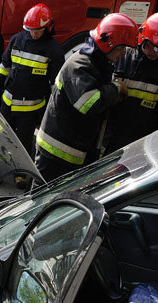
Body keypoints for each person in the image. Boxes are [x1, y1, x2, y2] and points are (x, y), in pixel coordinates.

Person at [35, 13, 137, 182]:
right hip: (55, 153)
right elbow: (88, 104)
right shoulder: (79, 64)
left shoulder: (99, 63)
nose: (124, 53)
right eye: (121, 48)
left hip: (73, 151)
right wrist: (115, 88)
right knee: (41, 203)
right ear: (108, 43)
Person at [0, 4, 63, 159]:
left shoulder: (53, 51)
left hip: (30, 110)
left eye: (37, 30)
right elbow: (5, 66)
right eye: (31, 30)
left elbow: (55, 84)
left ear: (47, 27)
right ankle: (0, 163)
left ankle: (21, 172)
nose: (34, 34)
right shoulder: (17, 40)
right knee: (1, 134)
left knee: (23, 141)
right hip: (7, 103)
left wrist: (51, 107)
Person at [105, 11, 158, 153]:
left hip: (141, 146)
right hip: (107, 139)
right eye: (153, 46)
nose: (156, 52)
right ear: (142, 37)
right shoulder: (121, 57)